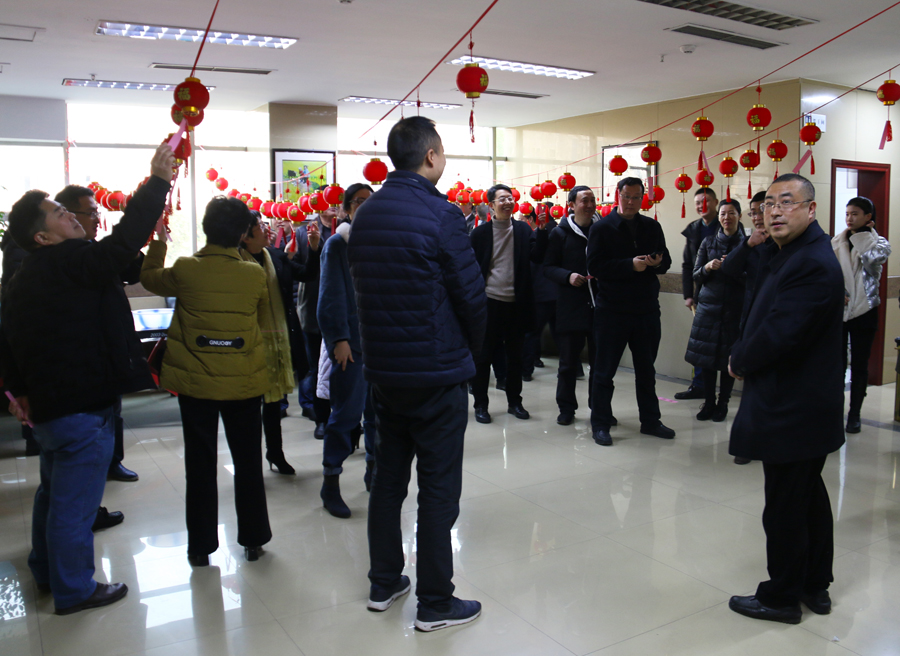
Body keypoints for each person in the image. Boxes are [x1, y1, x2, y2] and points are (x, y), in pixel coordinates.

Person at [0, 142, 175, 615]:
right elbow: (122, 243)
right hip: (80, 406)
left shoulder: (25, 275)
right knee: (73, 507)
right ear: (42, 237)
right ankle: (74, 588)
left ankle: (45, 571)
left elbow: (8, 336)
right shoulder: (70, 262)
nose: (72, 216)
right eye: (59, 213)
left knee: (52, 495)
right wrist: (157, 182)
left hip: (52, 408)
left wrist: (19, 391)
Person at [348, 116, 486, 632]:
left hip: (385, 374)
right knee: (438, 489)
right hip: (436, 372)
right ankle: (435, 603)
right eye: (442, 152)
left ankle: (384, 581)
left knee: (387, 481)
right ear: (431, 156)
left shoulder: (366, 215)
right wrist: (470, 355)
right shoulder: (442, 214)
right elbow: (471, 297)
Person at [727, 174, 845, 625]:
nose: (775, 211)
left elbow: (780, 332)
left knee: (785, 506)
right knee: (807, 497)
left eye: (787, 202)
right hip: (801, 404)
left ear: (811, 210)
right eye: (770, 203)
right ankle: (814, 584)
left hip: (794, 407)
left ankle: (781, 598)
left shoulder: (810, 262)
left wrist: (740, 359)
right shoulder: (792, 252)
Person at [141, 196, 273, 566]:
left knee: (199, 465)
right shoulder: (254, 274)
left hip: (195, 383)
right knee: (248, 462)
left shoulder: (186, 269)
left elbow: (149, 278)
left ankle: (200, 547)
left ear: (205, 228)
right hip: (243, 382)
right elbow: (262, 318)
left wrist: (160, 241)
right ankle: (253, 540)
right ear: (243, 233)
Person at [56, 184, 141, 483]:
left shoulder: (94, 250)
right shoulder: (61, 259)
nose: (97, 218)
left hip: (109, 347)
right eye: (91, 212)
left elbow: (133, 272)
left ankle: (112, 462)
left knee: (112, 412)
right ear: (69, 215)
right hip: (82, 357)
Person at [587, 177, 674, 446]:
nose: (631, 202)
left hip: (646, 310)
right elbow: (595, 266)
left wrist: (656, 263)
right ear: (618, 195)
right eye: (627, 196)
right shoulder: (602, 228)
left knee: (646, 371)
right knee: (604, 371)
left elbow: (666, 260)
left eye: (637, 197)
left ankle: (650, 421)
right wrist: (629, 265)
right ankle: (601, 423)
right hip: (612, 311)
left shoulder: (651, 226)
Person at [239, 211, 321, 474]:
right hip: (247, 342)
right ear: (245, 235)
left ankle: (275, 452)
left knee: (273, 403)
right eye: (259, 225)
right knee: (249, 407)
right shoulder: (233, 262)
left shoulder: (274, 256)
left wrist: (314, 248)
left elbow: (307, 274)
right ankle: (249, 460)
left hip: (278, 338)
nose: (267, 229)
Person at [317, 183, 376, 518]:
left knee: (378, 417)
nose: (366, 207)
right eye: (359, 202)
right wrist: (338, 339)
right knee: (345, 417)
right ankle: (331, 483)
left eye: (371, 201)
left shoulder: (379, 243)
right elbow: (330, 297)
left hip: (379, 346)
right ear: (346, 209)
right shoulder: (338, 245)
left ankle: (374, 474)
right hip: (350, 347)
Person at [469, 184, 549, 424]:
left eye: (510, 198)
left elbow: (537, 257)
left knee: (515, 357)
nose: (507, 202)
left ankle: (515, 402)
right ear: (491, 205)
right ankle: (481, 405)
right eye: (502, 199)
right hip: (488, 302)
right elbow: (470, 268)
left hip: (517, 303)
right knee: (483, 357)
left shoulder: (523, 229)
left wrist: (542, 232)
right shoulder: (480, 234)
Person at [832, 196, 891, 433]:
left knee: (859, 365)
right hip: (839, 310)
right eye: (847, 214)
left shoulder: (879, 243)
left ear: (868, 217)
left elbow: (872, 261)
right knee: (836, 365)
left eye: (855, 214)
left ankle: (854, 414)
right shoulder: (836, 241)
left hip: (865, 311)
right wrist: (837, 291)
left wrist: (863, 235)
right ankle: (833, 412)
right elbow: (828, 272)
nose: (849, 218)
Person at [685, 199, 746, 422]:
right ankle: (709, 402)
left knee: (727, 359)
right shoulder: (708, 242)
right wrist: (708, 267)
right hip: (708, 308)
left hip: (734, 309)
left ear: (739, 216)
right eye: (723, 214)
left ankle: (723, 403)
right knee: (707, 359)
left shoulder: (746, 245)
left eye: (731, 213)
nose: (726, 218)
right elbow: (696, 273)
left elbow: (753, 278)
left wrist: (732, 268)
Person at [543, 185, 596, 425]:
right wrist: (568, 276)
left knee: (600, 365)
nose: (590, 205)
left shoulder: (602, 230)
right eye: (584, 201)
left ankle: (599, 408)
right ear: (572, 205)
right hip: (570, 306)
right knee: (568, 365)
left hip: (599, 307)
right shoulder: (559, 233)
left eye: (592, 200)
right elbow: (548, 267)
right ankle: (566, 409)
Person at [675, 187, 719, 400]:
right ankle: (699, 385)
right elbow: (687, 265)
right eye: (698, 202)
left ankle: (721, 389)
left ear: (716, 202)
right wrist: (688, 294)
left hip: (723, 293)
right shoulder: (693, 229)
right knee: (700, 342)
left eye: (707, 201)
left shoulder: (725, 224)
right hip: (701, 293)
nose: (703, 206)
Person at [295, 206, 335, 437]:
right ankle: (322, 418)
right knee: (317, 368)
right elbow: (300, 269)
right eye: (330, 200)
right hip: (313, 306)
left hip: (342, 307)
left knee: (344, 368)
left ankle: (347, 419)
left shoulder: (349, 229)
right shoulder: (304, 232)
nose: (334, 205)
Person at [521, 206, 558, 382]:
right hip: (558, 290)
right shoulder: (561, 233)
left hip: (541, 292)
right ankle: (575, 369)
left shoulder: (535, 236)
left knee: (532, 332)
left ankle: (526, 370)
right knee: (561, 332)